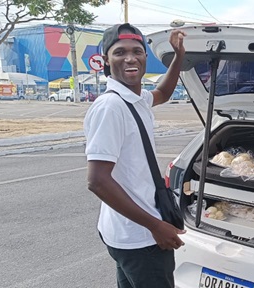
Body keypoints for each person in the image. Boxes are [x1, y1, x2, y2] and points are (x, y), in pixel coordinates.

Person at [83, 23, 186, 288]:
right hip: (140, 239)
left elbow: (162, 92)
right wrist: (156, 226)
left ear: (145, 57)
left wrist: (178, 57)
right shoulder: (111, 107)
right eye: (120, 52)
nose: (130, 58)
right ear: (107, 59)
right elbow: (97, 181)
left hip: (127, 232)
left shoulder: (135, 99)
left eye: (137, 51)